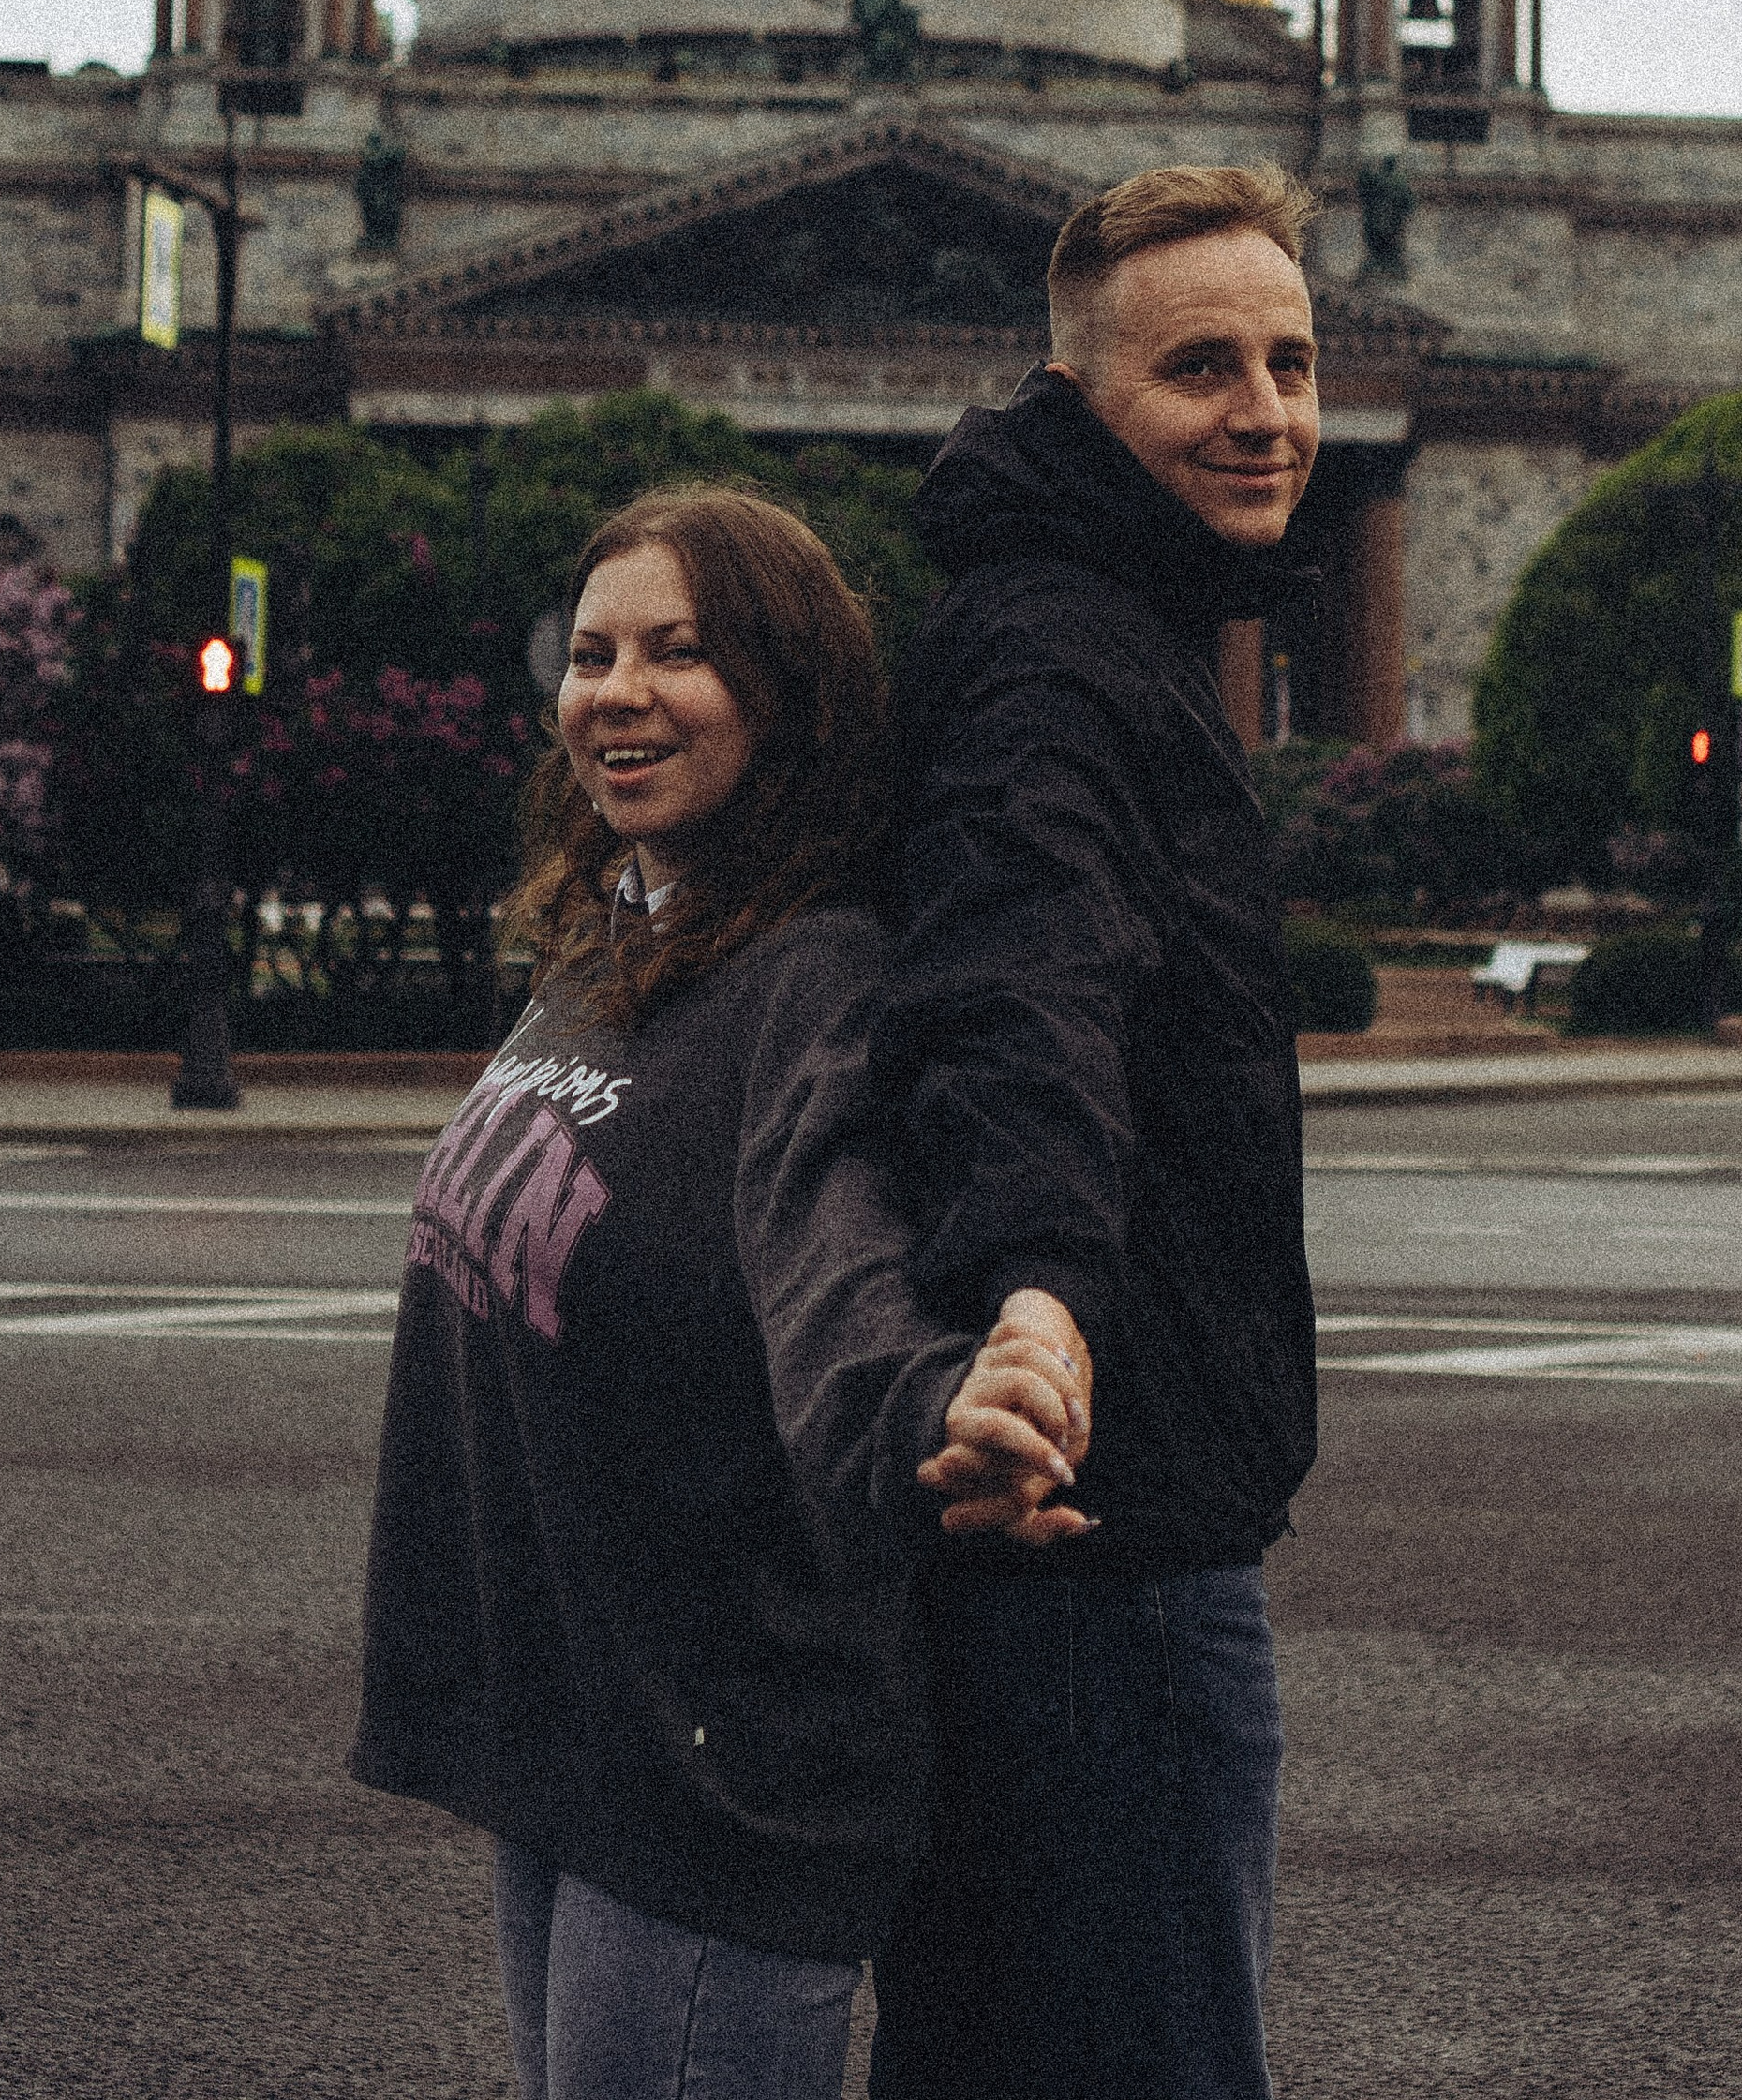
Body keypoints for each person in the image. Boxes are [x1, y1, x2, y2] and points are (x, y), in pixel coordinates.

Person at [350, 484, 1092, 2100]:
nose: (618, 694)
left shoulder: (816, 974)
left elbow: (837, 1253)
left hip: (726, 1758)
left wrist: (937, 1408)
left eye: (679, 653)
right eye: (592, 655)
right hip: (591, 1724)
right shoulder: (611, 945)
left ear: (788, 692)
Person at [864, 164, 1323, 2100]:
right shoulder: (1061, 657)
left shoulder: (1093, 619)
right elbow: (1022, 978)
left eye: (1292, 362)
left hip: (1081, 1508)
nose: (1266, 411)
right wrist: (1037, 1293)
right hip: (1101, 1526)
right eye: (1201, 367)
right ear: (1078, 396)